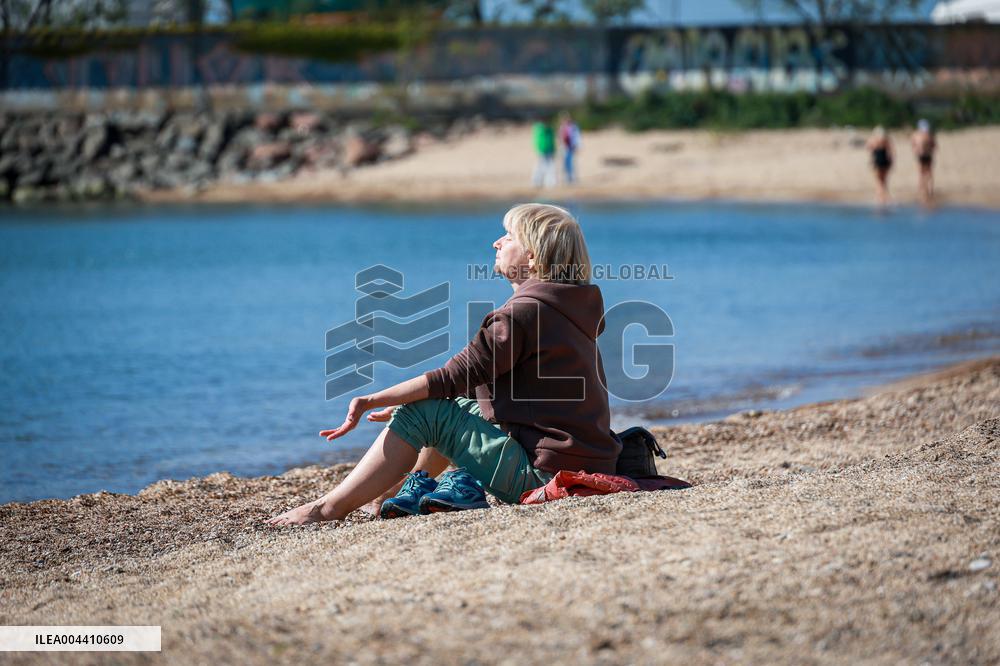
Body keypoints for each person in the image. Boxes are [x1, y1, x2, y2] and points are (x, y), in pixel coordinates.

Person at [268, 203, 622, 526]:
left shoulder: (522, 314)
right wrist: (409, 398)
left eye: (509, 236)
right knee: (439, 406)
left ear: (532, 257)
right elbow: (469, 382)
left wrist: (373, 400)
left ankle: (325, 510)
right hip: (587, 464)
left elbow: (451, 377)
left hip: (546, 478)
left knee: (424, 412)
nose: (497, 243)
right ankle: (397, 494)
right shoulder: (569, 307)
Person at [911, 119, 937, 207]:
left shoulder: (916, 135)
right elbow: (934, 146)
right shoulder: (929, 135)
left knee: (922, 173)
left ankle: (922, 189)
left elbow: (913, 146)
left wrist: (917, 151)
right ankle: (929, 189)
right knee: (928, 172)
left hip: (921, 155)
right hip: (927, 154)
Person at [865, 126, 894, 207]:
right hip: (885, 160)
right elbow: (891, 151)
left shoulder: (873, 140)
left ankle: (879, 198)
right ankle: (886, 197)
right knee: (884, 180)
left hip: (877, 160)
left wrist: (871, 161)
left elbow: (869, 148)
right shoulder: (886, 139)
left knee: (878, 180)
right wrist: (891, 162)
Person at [532, 121, 557, 188]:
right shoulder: (540, 130)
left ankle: (550, 182)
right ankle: (537, 181)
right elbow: (537, 141)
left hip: (549, 151)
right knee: (539, 166)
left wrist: (554, 150)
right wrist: (539, 149)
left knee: (550, 167)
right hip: (542, 151)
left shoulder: (550, 131)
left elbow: (552, 141)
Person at [558, 112, 581, 184]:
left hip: (571, 147)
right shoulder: (562, 127)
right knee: (565, 163)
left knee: (572, 163)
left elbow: (577, 137)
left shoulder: (574, 127)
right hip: (564, 147)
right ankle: (566, 178)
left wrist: (577, 145)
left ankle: (572, 178)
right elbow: (560, 138)